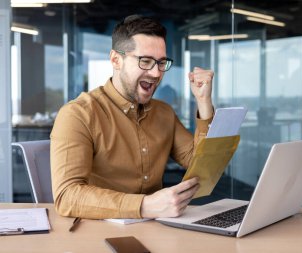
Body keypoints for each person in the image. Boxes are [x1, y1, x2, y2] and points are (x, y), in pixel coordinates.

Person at [50, 15, 214, 219]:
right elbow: (67, 196)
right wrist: (145, 205)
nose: (156, 73)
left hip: (155, 229)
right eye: (145, 61)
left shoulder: (164, 113)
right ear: (116, 60)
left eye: (162, 63)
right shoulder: (78, 114)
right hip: (96, 231)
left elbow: (202, 165)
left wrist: (204, 101)